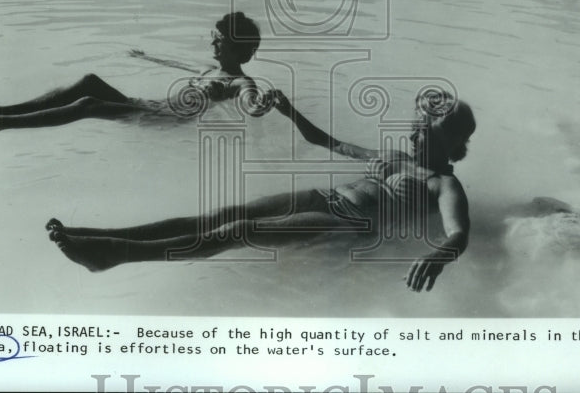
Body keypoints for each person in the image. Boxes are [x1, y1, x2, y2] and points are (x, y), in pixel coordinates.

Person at [45, 89, 476, 292]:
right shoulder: (395, 159)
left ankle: (111, 256)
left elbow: (459, 233)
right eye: (416, 128)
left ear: (453, 146)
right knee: (221, 215)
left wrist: (435, 256)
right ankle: (104, 238)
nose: (415, 136)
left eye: (427, 133)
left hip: (350, 222)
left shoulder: (444, 183)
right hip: (323, 197)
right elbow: (324, 141)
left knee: (238, 231)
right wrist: (289, 111)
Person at [0, 11, 273, 132]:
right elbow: (177, 63)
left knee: (88, 105)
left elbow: (251, 102)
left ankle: (0, 124)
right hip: (148, 106)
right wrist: (145, 56)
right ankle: (1, 110)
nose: (212, 45)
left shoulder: (239, 81)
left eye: (219, 42)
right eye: (213, 39)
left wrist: (261, 105)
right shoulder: (209, 69)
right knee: (89, 82)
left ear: (236, 47)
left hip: (160, 119)